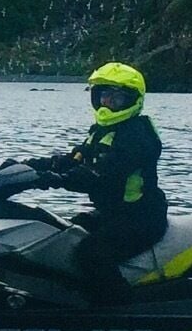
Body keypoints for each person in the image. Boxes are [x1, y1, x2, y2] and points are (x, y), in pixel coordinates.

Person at [40, 61, 167, 304]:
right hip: (114, 215)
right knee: (61, 233)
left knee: (91, 254)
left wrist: (54, 181)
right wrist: (30, 166)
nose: (108, 103)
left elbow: (104, 173)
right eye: (104, 96)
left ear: (132, 100)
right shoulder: (101, 131)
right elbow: (73, 159)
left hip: (141, 219)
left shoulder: (138, 136)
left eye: (116, 99)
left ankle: (120, 311)